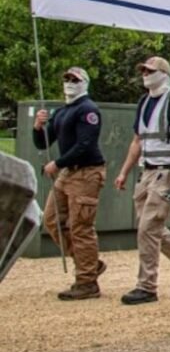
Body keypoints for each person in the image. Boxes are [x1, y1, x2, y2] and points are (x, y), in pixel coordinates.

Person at [112, 56, 170, 306]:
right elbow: (137, 141)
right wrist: (123, 172)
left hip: (169, 170)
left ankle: (147, 285)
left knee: (148, 227)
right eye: (143, 70)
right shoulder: (144, 102)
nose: (145, 74)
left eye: (150, 70)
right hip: (148, 171)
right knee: (149, 226)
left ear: (164, 73)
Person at [34, 66, 107, 300]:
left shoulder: (88, 110)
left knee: (80, 226)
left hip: (86, 172)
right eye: (66, 78)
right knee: (52, 220)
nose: (69, 82)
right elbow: (42, 142)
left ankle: (86, 282)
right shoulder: (63, 111)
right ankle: (90, 263)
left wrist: (57, 163)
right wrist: (38, 126)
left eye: (74, 79)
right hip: (67, 172)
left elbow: (85, 144)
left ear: (84, 82)